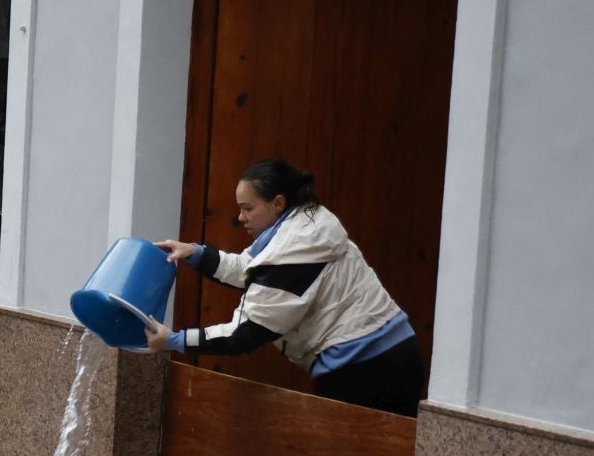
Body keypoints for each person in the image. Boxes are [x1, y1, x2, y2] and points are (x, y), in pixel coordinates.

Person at [145, 158, 423, 417]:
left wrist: (175, 340)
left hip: (362, 369)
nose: (240, 217)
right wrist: (195, 252)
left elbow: (244, 333)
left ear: (277, 203)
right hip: (396, 352)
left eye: (247, 208)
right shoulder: (305, 222)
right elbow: (248, 267)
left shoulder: (295, 251)